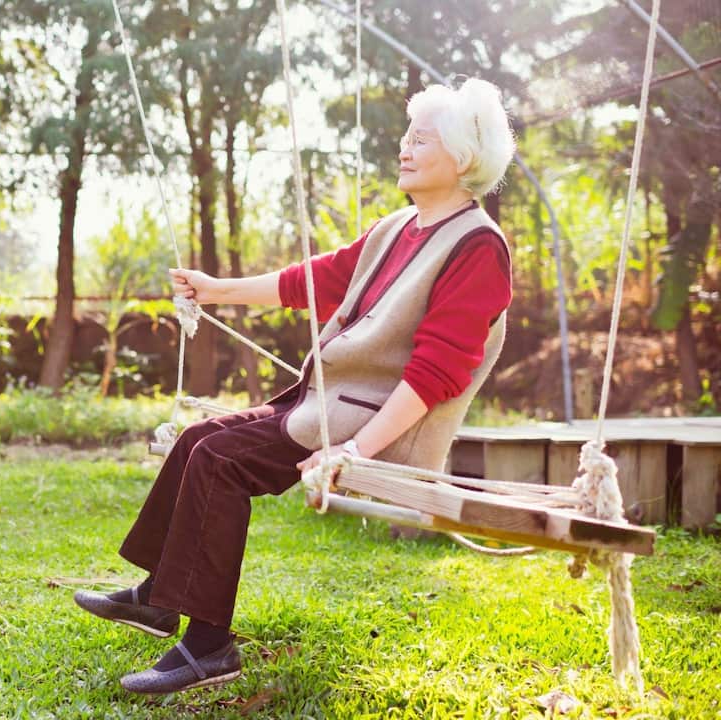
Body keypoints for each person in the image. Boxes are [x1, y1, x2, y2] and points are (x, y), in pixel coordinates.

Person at [73, 78, 518, 695]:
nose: (404, 147)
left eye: (422, 140)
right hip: (329, 405)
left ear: (464, 158)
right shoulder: (399, 228)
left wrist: (354, 451)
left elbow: (437, 374)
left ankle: (209, 646)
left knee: (220, 460)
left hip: (375, 426)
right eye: (407, 135)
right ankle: (157, 598)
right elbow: (320, 279)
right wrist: (217, 290)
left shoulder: (478, 247)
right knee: (198, 438)